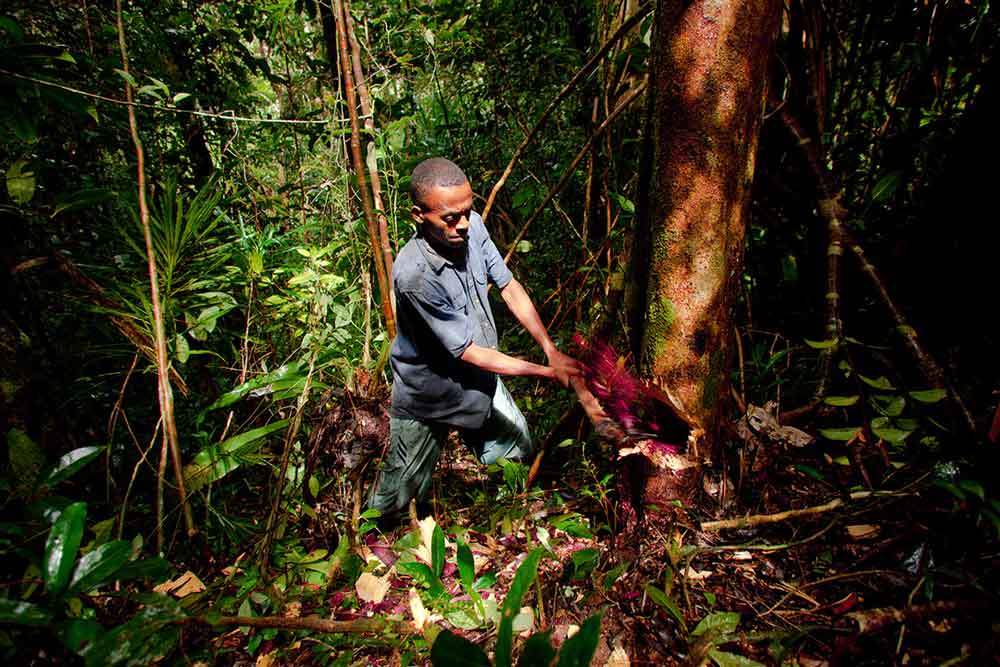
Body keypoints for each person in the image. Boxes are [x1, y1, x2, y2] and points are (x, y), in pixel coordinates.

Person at [368, 157, 580, 519]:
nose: (463, 224)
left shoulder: (473, 227)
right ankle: (368, 547)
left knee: (515, 450)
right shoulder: (414, 274)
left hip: (477, 381)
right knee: (397, 497)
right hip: (428, 393)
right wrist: (545, 373)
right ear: (419, 215)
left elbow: (509, 286)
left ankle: (507, 522)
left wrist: (551, 350)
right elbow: (467, 351)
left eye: (467, 211)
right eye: (450, 218)